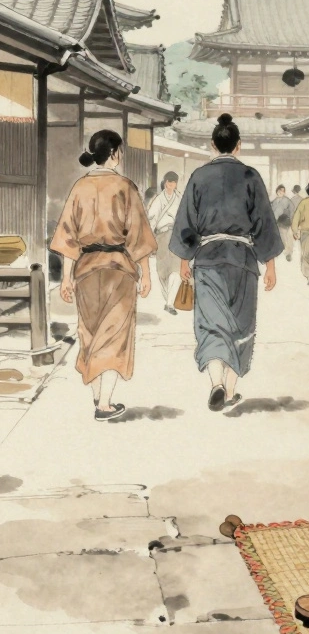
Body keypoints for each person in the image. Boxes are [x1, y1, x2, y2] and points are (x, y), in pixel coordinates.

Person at [169, 114, 283, 412]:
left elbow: (186, 223)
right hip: (243, 259)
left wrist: (184, 259)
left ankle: (216, 383)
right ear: (238, 146)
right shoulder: (250, 176)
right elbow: (264, 222)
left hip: (207, 260)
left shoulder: (198, 176)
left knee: (211, 322)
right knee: (242, 323)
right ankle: (231, 391)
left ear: (212, 145)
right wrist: (269, 263)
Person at [50, 130, 156, 421]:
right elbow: (139, 235)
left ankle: (99, 396)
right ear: (114, 154)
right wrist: (146, 273)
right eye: (120, 151)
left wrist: (67, 278)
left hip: (85, 270)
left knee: (91, 331)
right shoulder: (125, 186)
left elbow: (68, 236)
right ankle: (104, 404)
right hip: (118, 269)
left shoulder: (79, 188)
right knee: (115, 333)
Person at [147, 171, 183, 315]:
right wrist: (149, 239)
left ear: (176, 184)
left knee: (176, 268)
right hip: (162, 237)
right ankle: (168, 299)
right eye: (169, 182)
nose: (171, 185)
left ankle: (170, 302)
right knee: (162, 270)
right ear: (164, 182)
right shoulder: (158, 200)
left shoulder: (179, 198)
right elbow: (152, 220)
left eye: (173, 183)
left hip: (175, 236)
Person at [270, 185, 295, 262]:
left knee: (289, 237)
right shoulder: (274, 201)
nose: (281, 192)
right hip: (278, 222)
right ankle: (287, 253)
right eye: (280, 191)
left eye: (283, 191)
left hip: (286, 221)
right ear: (277, 191)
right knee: (283, 238)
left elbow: (292, 210)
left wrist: (291, 219)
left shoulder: (287, 200)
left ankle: (289, 253)